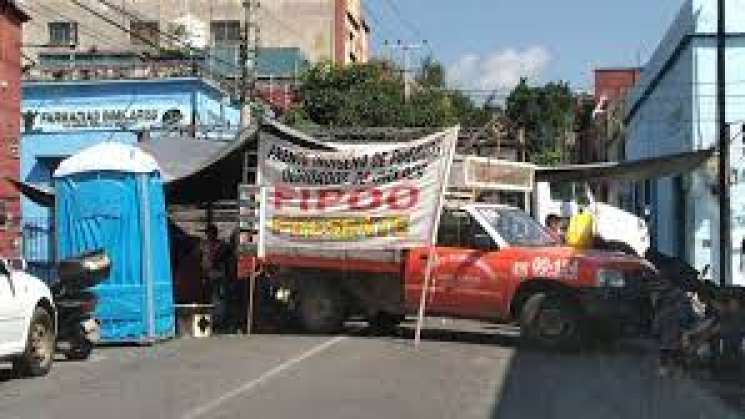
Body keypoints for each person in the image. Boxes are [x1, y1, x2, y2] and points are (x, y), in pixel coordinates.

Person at [201, 224, 230, 331]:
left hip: (217, 276)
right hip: (208, 276)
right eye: (207, 233)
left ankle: (218, 322)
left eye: (209, 233)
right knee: (209, 299)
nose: (208, 235)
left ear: (214, 233)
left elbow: (220, 260)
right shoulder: (204, 245)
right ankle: (210, 322)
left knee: (218, 298)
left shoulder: (221, 245)